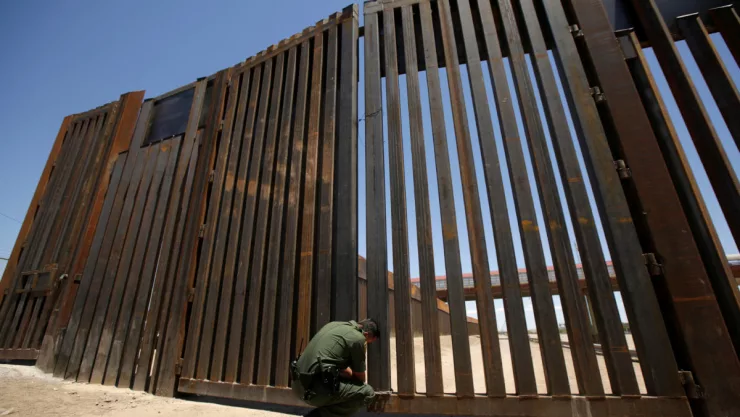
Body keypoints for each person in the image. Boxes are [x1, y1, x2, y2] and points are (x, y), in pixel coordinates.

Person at [291, 318, 386, 417]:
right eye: (368, 342)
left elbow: (332, 360)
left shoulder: (334, 325)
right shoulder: (358, 338)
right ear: (366, 334)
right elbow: (360, 379)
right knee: (367, 393)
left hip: (297, 385)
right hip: (313, 392)